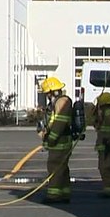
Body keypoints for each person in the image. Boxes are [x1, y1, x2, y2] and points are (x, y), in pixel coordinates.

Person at [38, 76, 74, 204]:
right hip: (61, 140)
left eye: (47, 93)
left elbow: (59, 122)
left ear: (53, 91)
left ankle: (54, 195)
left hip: (60, 141)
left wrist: (51, 139)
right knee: (62, 168)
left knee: (55, 167)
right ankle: (64, 193)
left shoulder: (62, 102)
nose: (47, 96)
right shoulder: (59, 102)